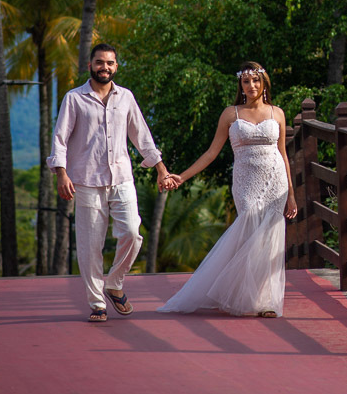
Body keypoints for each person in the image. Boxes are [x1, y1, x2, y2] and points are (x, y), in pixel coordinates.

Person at [49, 43, 176, 322]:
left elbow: (141, 136)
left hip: (121, 178)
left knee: (132, 232)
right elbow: (59, 138)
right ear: (90, 65)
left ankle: (114, 283)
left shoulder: (126, 98)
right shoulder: (74, 98)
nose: (104, 67)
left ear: (116, 66)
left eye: (110, 63)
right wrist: (61, 173)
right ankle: (97, 304)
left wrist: (161, 170)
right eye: (99, 62)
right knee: (90, 245)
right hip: (85, 181)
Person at [157, 61, 296, 317]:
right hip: (246, 183)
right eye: (246, 81)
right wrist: (183, 177)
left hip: (276, 181)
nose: (251, 86)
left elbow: (283, 154)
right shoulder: (231, 114)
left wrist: (291, 195)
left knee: (270, 238)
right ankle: (234, 293)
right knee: (248, 231)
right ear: (240, 85)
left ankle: (265, 302)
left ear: (264, 83)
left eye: (256, 81)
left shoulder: (277, 113)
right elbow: (211, 153)